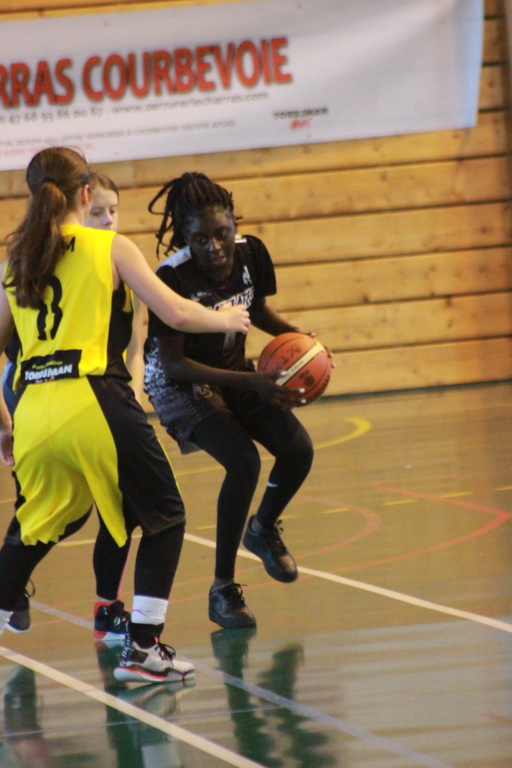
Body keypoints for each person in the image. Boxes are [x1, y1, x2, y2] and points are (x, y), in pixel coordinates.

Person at [0, 147, 250, 684]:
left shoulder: (14, 262)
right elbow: (175, 311)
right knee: (166, 514)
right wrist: (225, 318)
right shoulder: (109, 246)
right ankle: (142, 649)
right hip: (92, 396)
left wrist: (4, 424)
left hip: (35, 409)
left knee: (41, 525)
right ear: (85, 193)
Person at [144, 172, 315, 630]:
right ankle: (222, 590)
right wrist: (252, 382)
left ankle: (262, 530)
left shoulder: (251, 253)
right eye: (201, 239)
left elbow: (255, 310)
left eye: (222, 233)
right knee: (243, 462)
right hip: (177, 383)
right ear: (186, 238)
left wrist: (303, 342)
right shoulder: (171, 277)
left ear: (234, 223)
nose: (215, 247)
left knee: (298, 450)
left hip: (233, 368)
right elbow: (173, 364)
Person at [1, 172, 139, 643]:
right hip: (37, 390)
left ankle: (105, 606)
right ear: (76, 205)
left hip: (89, 395)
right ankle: (11, 585)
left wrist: (131, 400)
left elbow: (132, 347)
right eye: (97, 211)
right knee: (46, 507)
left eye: (113, 212)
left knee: (116, 503)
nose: (107, 220)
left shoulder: (113, 260)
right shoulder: (37, 258)